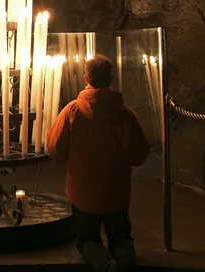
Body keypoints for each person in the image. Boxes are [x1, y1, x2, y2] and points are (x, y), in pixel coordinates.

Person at [46, 54, 150, 272]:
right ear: (111, 79)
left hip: (83, 192)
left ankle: (106, 265)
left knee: (87, 239)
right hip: (117, 190)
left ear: (86, 78)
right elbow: (139, 153)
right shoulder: (126, 114)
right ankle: (125, 262)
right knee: (121, 237)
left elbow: (55, 149)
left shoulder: (72, 111)